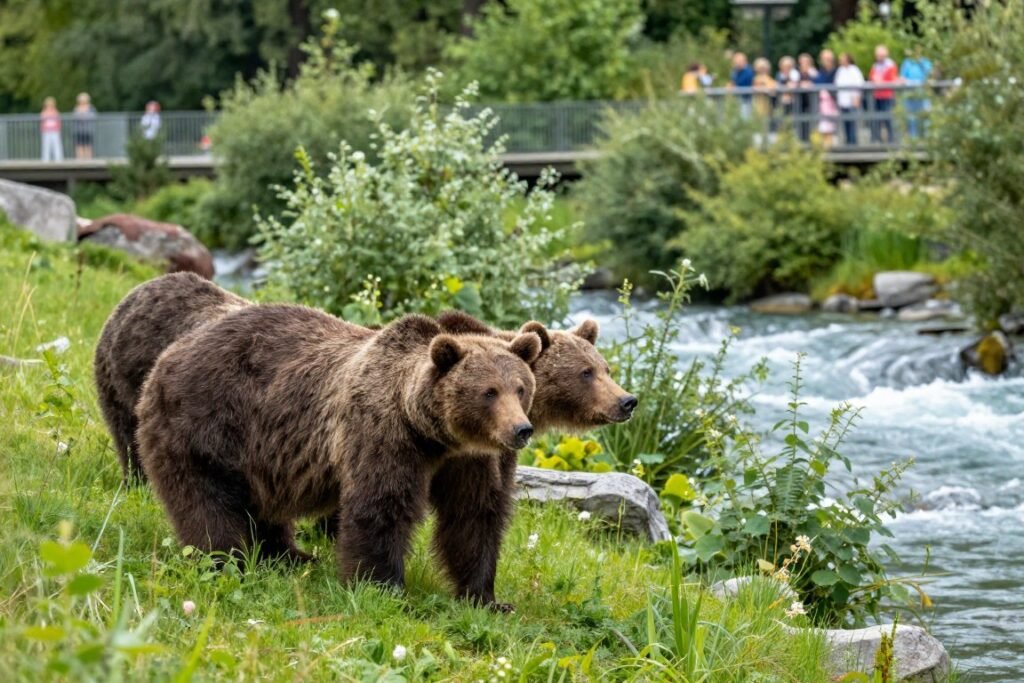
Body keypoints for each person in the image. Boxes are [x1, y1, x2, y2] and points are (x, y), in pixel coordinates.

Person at [900, 48, 933, 139]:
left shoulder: (926, 63)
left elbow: (930, 77)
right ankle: (913, 137)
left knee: (925, 114)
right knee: (911, 116)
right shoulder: (907, 63)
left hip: (923, 93)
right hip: (910, 94)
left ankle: (927, 137)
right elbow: (902, 78)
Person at [869, 45, 898, 144]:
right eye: (877, 55)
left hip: (887, 95)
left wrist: (881, 81)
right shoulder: (875, 66)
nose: (879, 57)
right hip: (877, 95)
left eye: (880, 55)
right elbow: (871, 76)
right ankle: (876, 139)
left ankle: (892, 139)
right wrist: (876, 80)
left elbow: (892, 78)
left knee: (888, 118)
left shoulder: (890, 65)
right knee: (876, 119)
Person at [835, 52, 865, 146]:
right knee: (845, 122)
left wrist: (857, 97)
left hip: (852, 100)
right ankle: (847, 142)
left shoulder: (854, 70)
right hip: (842, 100)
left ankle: (853, 142)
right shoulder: (840, 70)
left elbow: (859, 84)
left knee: (853, 122)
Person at [815, 50, 838, 146]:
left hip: (834, 101)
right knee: (824, 124)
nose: (826, 61)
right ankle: (825, 145)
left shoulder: (836, 71)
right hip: (823, 103)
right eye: (824, 59)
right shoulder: (820, 72)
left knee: (832, 124)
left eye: (828, 59)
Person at [796, 53, 818, 141]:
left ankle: (811, 138)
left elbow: (817, 82)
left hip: (811, 99)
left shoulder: (813, 72)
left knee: (811, 119)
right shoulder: (797, 72)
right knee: (801, 120)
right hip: (800, 99)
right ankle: (802, 138)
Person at [729, 52, 755, 118]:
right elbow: (732, 83)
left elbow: (739, 83)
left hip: (746, 100)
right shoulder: (735, 71)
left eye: (738, 61)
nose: (736, 63)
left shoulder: (749, 71)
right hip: (737, 100)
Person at [73, 92, 97, 159]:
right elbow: (75, 116)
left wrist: (83, 116)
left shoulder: (91, 108)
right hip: (79, 130)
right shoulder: (76, 108)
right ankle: (80, 159)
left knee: (88, 145)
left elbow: (93, 116)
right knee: (79, 145)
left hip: (88, 130)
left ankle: (88, 159)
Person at [39, 97, 63, 162]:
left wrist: (58, 128)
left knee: (56, 145)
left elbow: (59, 121)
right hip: (46, 131)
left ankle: (58, 159)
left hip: (55, 131)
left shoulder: (56, 111)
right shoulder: (44, 112)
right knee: (46, 145)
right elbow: (41, 121)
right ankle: (45, 159)